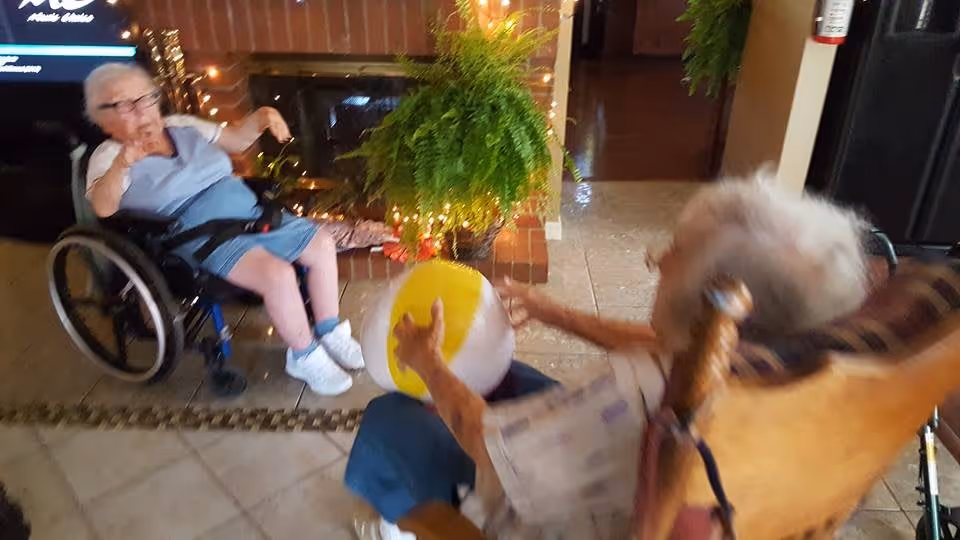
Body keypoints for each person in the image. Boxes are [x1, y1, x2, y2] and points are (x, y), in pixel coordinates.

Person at [345, 174, 872, 539]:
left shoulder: (635, 389)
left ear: (701, 298)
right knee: (510, 379)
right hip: (682, 489)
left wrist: (427, 361)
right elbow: (672, 345)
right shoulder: (792, 373)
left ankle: (403, 518)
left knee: (392, 418)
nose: (660, 260)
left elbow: (486, 444)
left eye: (675, 251)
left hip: (579, 518)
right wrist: (552, 312)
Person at [82, 62, 362, 395]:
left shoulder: (181, 125)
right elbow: (103, 206)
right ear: (103, 118)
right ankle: (303, 355)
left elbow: (237, 139)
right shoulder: (108, 156)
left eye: (145, 98)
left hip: (248, 212)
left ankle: (329, 331)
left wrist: (263, 117)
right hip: (200, 236)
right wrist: (122, 164)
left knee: (321, 244)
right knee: (278, 275)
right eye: (125, 105)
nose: (142, 111)